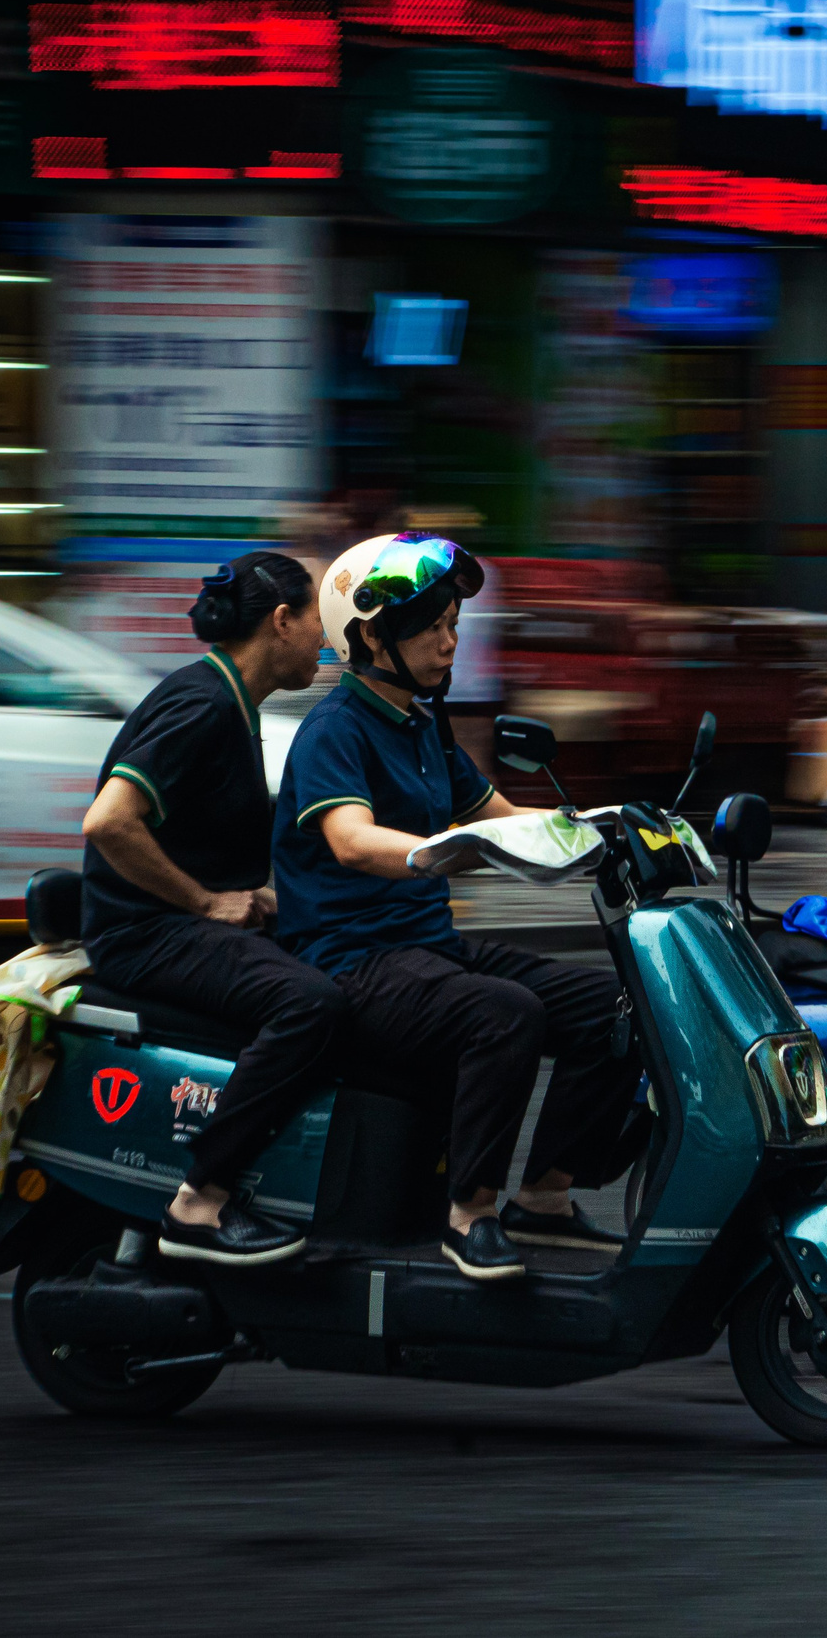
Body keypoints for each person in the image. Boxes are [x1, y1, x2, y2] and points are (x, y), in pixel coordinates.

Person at [273, 533, 638, 1283]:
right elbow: (348, 839)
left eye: (454, 625)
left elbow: (502, 816)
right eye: (433, 626)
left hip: (428, 947)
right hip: (354, 959)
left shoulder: (422, 725)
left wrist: (612, 830)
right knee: (502, 1013)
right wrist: (434, 851)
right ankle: (469, 1213)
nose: (450, 642)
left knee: (618, 1004)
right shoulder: (332, 730)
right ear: (371, 634)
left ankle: (545, 1195)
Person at [80, 552, 349, 1265]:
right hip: (145, 932)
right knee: (308, 1004)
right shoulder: (202, 702)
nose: (326, 639)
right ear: (282, 621)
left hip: (172, 921)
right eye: (319, 620)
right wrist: (205, 901)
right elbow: (109, 821)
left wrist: (241, 895)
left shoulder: (232, 701)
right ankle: (200, 1197)